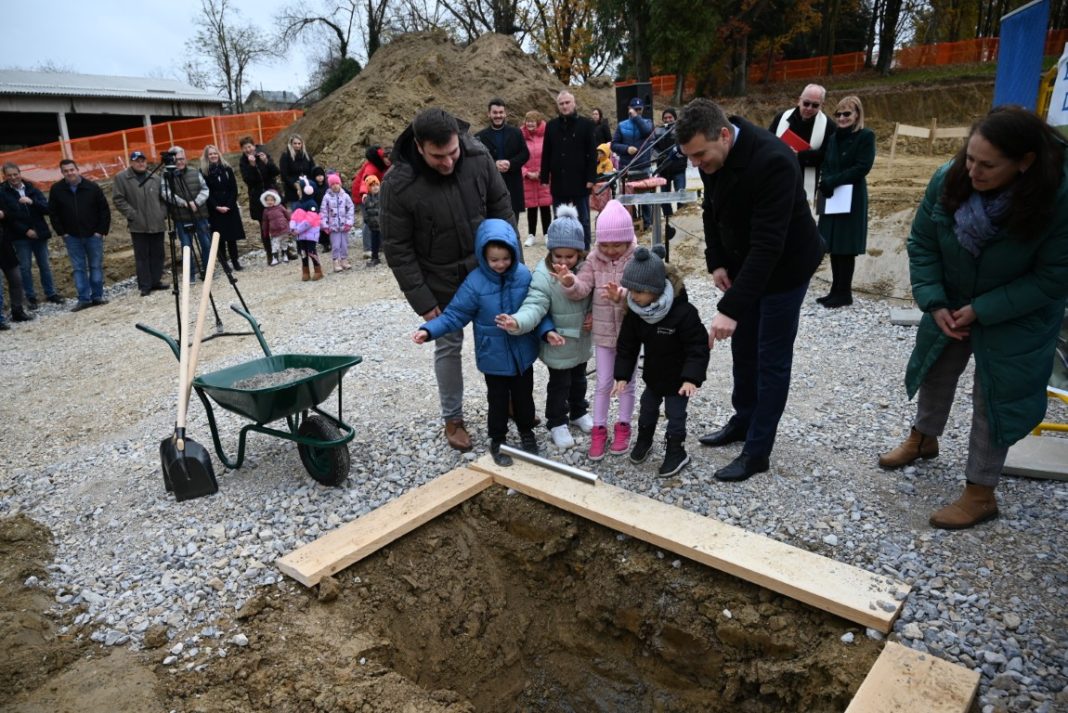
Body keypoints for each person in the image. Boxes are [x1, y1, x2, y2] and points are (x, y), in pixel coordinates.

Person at [878, 106, 1068, 530]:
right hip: (952, 300)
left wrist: (984, 308)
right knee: (936, 367)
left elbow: (1054, 277)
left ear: (1025, 162)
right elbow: (923, 243)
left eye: (988, 165)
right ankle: (924, 438)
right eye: (970, 158)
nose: (974, 171)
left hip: (1019, 311)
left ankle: (981, 492)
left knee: (995, 393)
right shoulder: (950, 178)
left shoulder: (1058, 197)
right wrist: (935, 302)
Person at [675, 98, 824, 482]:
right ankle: (743, 420)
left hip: (785, 268)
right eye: (690, 157)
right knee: (743, 349)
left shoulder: (773, 161)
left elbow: (769, 247)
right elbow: (712, 211)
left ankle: (758, 451)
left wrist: (732, 307)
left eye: (700, 155)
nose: (696, 164)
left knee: (770, 357)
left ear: (724, 135)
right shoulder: (712, 156)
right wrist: (717, 262)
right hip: (746, 261)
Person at [381, 107, 514, 452]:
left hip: (485, 269)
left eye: (453, 152)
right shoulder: (398, 183)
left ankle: (506, 402)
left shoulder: (477, 154)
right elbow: (397, 248)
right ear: (420, 147)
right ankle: (453, 417)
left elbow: (500, 206)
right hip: (440, 278)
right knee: (449, 345)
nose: (449, 162)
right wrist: (424, 302)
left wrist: (510, 264)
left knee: (500, 335)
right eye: (438, 156)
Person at [413, 219, 551, 466]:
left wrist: (547, 332)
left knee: (524, 398)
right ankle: (497, 440)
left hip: (522, 354)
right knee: (497, 402)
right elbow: (455, 314)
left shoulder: (522, 275)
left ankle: (527, 433)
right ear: (483, 256)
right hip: (493, 358)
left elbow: (537, 309)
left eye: (505, 258)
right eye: (494, 260)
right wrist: (429, 330)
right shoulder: (475, 283)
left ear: (513, 253)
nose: (500, 264)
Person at [497, 205, 593, 448]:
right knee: (560, 384)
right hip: (558, 341)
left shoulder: (587, 270)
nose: (563, 262)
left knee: (580, 379)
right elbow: (535, 304)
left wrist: (594, 313)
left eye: (569, 256)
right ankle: (557, 421)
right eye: (557, 256)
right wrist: (518, 321)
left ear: (580, 253)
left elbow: (596, 296)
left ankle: (579, 411)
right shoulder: (543, 275)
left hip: (581, 339)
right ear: (550, 253)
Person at [612, 246, 709, 477]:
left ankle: (676, 450)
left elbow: (698, 347)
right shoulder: (636, 311)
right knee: (647, 409)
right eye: (631, 289)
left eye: (640, 291)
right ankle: (645, 440)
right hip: (654, 377)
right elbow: (627, 346)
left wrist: (691, 378)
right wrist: (622, 375)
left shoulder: (683, 313)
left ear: (655, 288)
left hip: (678, 381)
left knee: (675, 415)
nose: (633, 296)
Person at [556, 199, 638, 461]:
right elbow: (582, 288)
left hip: (630, 335)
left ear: (628, 240)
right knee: (603, 383)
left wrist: (623, 296)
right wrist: (570, 282)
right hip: (602, 335)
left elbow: (645, 293)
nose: (611, 250)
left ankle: (623, 425)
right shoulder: (593, 259)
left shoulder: (637, 258)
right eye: (606, 244)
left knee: (628, 383)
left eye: (617, 244)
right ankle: (599, 429)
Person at [816, 96, 876, 308]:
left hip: (851, 196)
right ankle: (836, 290)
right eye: (839, 114)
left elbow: (862, 167)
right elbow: (827, 162)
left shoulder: (865, 136)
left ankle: (844, 292)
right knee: (833, 243)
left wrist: (831, 181)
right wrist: (825, 181)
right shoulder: (833, 137)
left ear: (857, 114)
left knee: (846, 246)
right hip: (833, 196)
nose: (841, 118)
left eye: (847, 113)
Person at [47, 159, 111, 311]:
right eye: (66, 171)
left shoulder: (92, 187)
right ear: (62, 173)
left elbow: (104, 210)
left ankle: (97, 296)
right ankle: (83, 299)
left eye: (71, 170)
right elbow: (53, 213)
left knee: (95, 266)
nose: (69, 173)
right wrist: (63, 233)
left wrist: (100, 231)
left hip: (93, 235)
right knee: (78, 268)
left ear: (77, 170)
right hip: (72, 237)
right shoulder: (56, 190)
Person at [540, 91, 597, 248]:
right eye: (561, 103)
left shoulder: (586, 124)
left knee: (583, 219)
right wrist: (544, 176)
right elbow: (547, 152)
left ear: (574, 103)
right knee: (559, 218)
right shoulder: (551, 126)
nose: (564, 106)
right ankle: (561, 249)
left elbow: (592, 153)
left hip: (580, 179)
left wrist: (591, 178)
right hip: (559, 180)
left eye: (567, 102)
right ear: (558, 106)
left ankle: (585, 250)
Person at [0, 162, 62, 307]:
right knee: (25, 268)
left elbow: (47, 208)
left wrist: (32, 202)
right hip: (20, 237)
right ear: (4, 176)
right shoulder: (2, 193)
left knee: (45, 265)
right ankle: (30, 297)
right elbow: (9, 217)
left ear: (20, 173)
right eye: (10, 175)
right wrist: (25, 231)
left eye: (16, 174)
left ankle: (51, 293)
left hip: (39, 234)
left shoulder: (31, 188)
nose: (13, 177)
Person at [112, 151, 168, 296]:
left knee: (158, 254)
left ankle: (156, 281)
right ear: (131, 162)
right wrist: (133, 215)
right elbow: (118, 199)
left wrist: (162, 213)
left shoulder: (155, 178)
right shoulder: (122, 178)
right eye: (137, 161)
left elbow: (163, 199)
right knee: (142, 256)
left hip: (157, 223)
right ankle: (145, 285)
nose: (140, 163)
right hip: (139, 225)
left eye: (143, 160)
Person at [768, 84, 832, 208]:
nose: (809, 108)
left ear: (822, 105)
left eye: (815, 105)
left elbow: (828, 155)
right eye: (806, 103)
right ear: (799, 100)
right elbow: (767, 143)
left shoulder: (828, 126)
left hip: (807, 178)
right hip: (779, 175)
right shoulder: (781, 118)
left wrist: (800, 155)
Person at [476, 98, 529, 225]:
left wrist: (511, 163)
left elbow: (525, 154)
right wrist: (494, 164)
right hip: (491, 187)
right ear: (489, 114)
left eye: (501, 112)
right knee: (493, 227)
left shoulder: (516, 133)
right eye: (495, 112)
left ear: (505, 113)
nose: (498, 115)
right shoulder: (479, 136)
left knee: (513, 227)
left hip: (512, 185)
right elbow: (477, 160)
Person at [160, 146, 212, 275]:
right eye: (176, 159)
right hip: (181, 217)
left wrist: (196, 202)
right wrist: (184, 203)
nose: (179, 162)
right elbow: (165, 193)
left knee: (206, 244)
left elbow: (205, 189)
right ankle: (190, 275)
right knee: (186, 247)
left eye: (182, 159)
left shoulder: (195, 172)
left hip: (200, 215)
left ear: (186, 158)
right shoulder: (166, 175)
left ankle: (208, 272)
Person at [201, 145, 247, 271]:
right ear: (207, 157)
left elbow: (234, 188)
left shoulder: (227, 169)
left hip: (229, 207)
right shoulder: (204, 172)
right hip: (214, 209)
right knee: (219, 238)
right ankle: (224, 264)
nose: (213, 156)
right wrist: (216, 206)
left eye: (215, 153)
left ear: (218, 154)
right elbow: (207, 192)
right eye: (210, 154)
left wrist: (229, 205)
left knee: (232, 237)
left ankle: (235, 261)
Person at [612, 96, 655, 229]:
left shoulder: (647, 122)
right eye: (634, 109)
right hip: (627, 167)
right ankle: (630, 223)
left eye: (639, 109)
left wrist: (636, 117)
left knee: (646, 198)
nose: (637, 111)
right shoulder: (622, 125)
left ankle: (648, 223)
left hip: (643, 167)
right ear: (629, 109)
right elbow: (613, 145)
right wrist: (626, 149)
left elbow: (647, 132)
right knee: (628, 198)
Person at [238, 136, 280, 257]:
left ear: (254, 146)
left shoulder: (263, 154)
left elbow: (276, 172)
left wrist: (266, 161)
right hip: (257, 197)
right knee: (264, 226)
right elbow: (248, 180)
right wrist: (252, 165)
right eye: (245, 148)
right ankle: (269, 254)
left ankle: (284, 250)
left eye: (249, 146)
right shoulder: (243, 162)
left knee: (278, 222)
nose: (248, 150)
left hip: (271, 193)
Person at [351, 146, 391, 259]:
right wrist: (364, 193)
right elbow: (365, 180)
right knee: (369, 220)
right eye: (386, 158)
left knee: (378, 218)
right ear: (382, 158)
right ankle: (367, 249)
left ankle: (378, 246)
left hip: (375, 193)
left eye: (390, 158)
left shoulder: (384, 166)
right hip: (363, 195)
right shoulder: (372, 166)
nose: (388, 160)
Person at [521, 110, 553, 247]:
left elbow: (550, 155)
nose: (530, 123)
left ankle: (547, 234)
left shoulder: (546, 136)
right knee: (531, 209)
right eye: (528, 121)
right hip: (528, 178)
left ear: (538, 122)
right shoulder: (520, 137)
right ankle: (531, 235)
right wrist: (526, 173)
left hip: (543, 177)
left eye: (532, 121)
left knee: (545, 207)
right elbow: (519, 157)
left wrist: (542, 172)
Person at [653, 107, 688, 234]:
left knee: (681, 195)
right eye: (665, 118)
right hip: (663, 169)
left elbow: (685, 145)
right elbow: (653, 147)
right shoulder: (658, 131)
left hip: (678, 168)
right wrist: (659, 155)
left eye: (670, 117)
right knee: (664, 197)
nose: (668, 119)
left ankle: (682, 221)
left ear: (675, 118)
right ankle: (669, 221)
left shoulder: (680, 130)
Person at [0, 213, 33, 327]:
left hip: (5, 246)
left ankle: (17, 311)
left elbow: (12, 214)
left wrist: (4, 214)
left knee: (16, 279)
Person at [320, 173, 355, 271]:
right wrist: (325, 225)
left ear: (340, 184)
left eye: (337, 183)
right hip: (333, 226)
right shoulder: (326, 197)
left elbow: (351, 208)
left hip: (344, 226)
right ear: (330, 186)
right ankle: (336, 261)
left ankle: (344, 259)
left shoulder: (345, 196)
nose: (335, 186)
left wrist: (349, 222)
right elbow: (323, 212)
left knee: (344, 244)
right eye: (332, 184)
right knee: (335, 245)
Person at [278, 134, 317, 207]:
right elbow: (284, 175)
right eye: (295, 143)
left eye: (299, 143)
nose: (297, 145)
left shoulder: (307, 156)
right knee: (296, 213)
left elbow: (313, 170)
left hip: (307, 189)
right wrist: (295, 184)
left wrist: (311, 182)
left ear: (302, 144)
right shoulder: (286, 156)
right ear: (291, 144)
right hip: (292, 191)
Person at [290, 208, 324, 281]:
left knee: (311, 252)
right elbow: (293, 218)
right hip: (300, 236)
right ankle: (305, 272)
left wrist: (297, 230)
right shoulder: (298, 206)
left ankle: (318, 270)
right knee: (303, 254)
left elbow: (309, 221)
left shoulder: (312, 204)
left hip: (311, 235)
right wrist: (292, 228)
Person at [259, 189, 291, 266]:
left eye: (271, 200)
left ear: (275, 200)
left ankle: (285, 256)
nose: (270, 202)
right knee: (275, 245)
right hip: (274, 232)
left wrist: (291, 224)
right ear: (265, 201)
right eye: (268, 200)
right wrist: (265, 232)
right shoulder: (266, 211)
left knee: (284, 243)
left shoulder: (280, 207)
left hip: (284, 230)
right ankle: (275, 258)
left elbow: (287, 215)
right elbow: (265, 222)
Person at [362, 175, 383, 267]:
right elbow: (365, 212)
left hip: (383, 225)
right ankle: (375, 258)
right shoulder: (366, 199)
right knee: (374, 243)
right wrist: (367, 221)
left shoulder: (383, 196)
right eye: (372, 185)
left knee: (388, 242)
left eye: (376, 185)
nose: (375, 187)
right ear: (368, 187)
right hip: (373, 226)